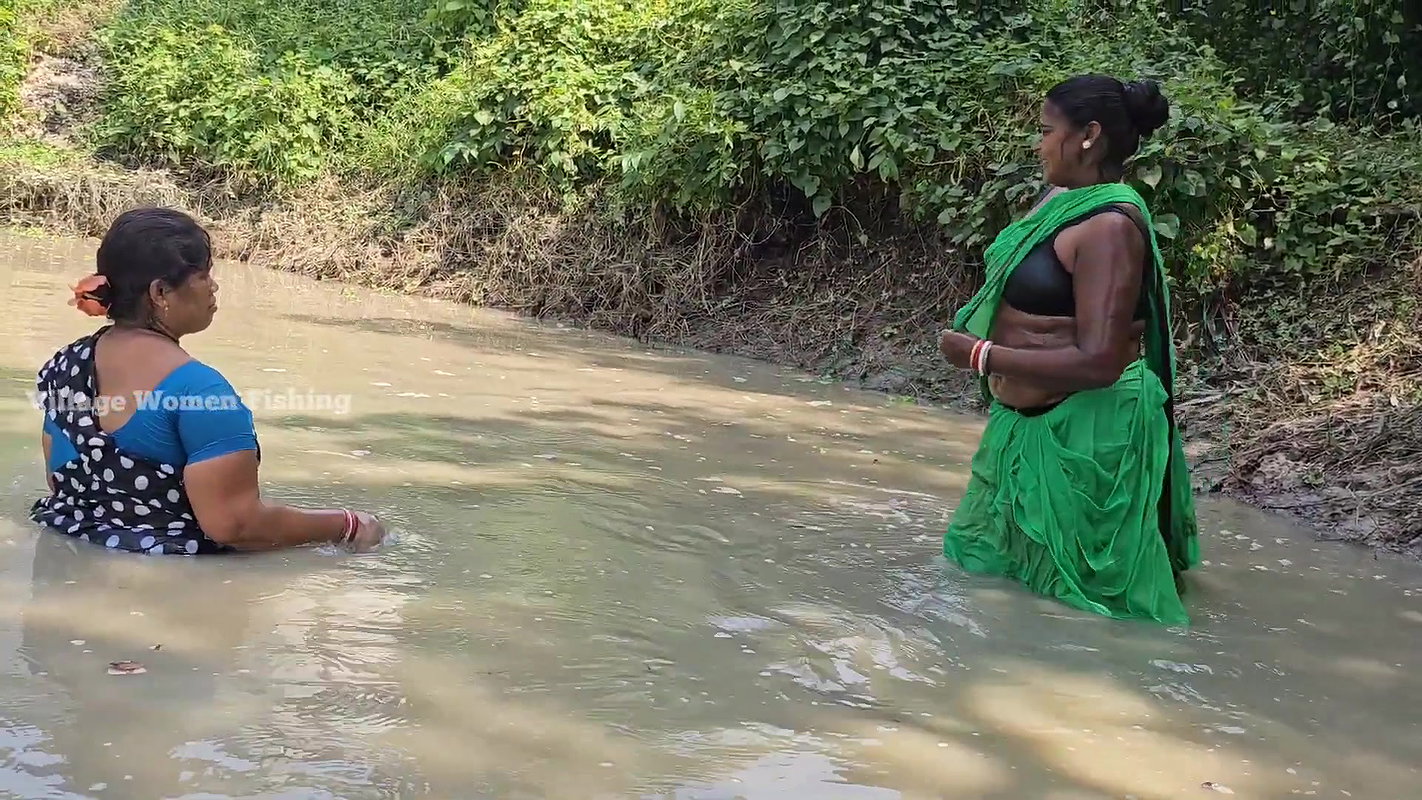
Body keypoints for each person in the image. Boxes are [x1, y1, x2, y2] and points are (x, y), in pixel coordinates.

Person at [937, 74, 1200, 625]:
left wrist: (982, 356)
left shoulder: (1108, 226)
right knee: (988, 586)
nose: (1038, 143)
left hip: (1090, 436)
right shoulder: (1060, 198)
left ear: (1089, 135)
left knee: (1099, 609)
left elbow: (1101, 361)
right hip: (1023, 432)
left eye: (1046, 130)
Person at [29, 207, 387, 555]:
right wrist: (348, 524)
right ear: (160, 293)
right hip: (164, 591)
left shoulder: (65, 364)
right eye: (203, 274)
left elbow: (58, 479)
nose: (213, 287)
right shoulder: (201, 391)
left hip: (66, 548)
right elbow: (235, 526)